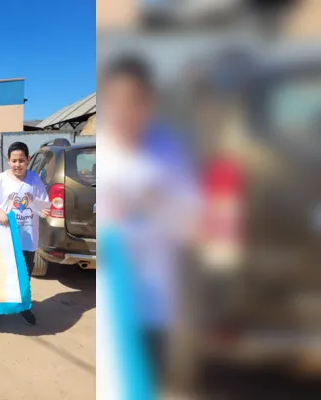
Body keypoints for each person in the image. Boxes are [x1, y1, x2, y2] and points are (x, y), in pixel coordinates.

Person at [96, 54, 199, 384]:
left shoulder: (169, 149)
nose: (126, 112)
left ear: (149, 102)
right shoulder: (103, 152)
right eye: (117, 102)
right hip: (111, 304)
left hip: (156, 302)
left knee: (148, 381)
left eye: (135, 101)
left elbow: (194, 221)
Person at [0, 141, 50, 329]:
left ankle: (23, 306)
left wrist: (45, 210)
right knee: (0, 275)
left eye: (21, 160)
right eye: (14, 161)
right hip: (5, 239)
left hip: (28, 239)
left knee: (24, 277)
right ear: (8, 161)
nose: (17, 164)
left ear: (28, 160)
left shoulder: (35, 179)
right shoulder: (2, 179)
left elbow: (44, 204)